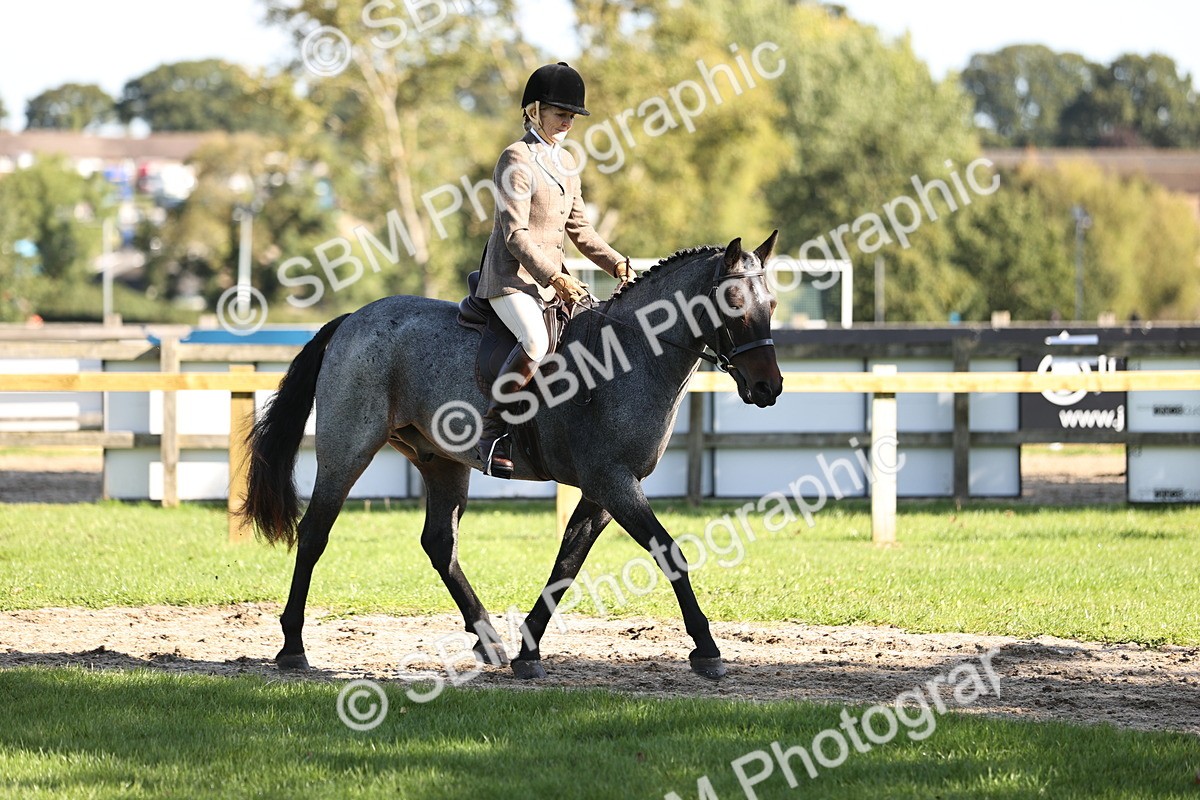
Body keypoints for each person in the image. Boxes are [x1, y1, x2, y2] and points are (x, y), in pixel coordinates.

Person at [475, 61, 635, 478]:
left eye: (572, 116)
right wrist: (556, 277)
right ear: (535, 110)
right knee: (535, 342)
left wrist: (617, 262)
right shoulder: (516, 157)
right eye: (560, 113)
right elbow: (515, 235)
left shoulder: (566, 163)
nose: (567, 122)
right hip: (511, 280)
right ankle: (493, 430)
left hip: (551, 282)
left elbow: (581, 230)